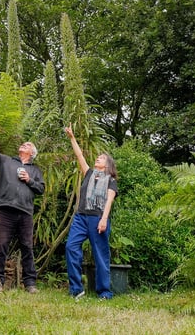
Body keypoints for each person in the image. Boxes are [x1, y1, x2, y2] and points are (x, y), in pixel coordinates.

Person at [0, 137, 45, 293]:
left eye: (28, 145)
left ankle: (30, 283)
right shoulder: (7, 161)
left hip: (25, 212)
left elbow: (41, 189)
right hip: (6, 210)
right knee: (1, 245)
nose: (24, 144)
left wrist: (29, 180)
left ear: (32, 153)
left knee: (27, 247)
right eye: (24, 144)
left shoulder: (35, 170)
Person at [64, 125, 118, 300]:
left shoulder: (111, 181)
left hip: (98, 219)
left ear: (108, 165)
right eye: (98, 157)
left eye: (102, 158)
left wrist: (104, 219)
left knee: (100, 255)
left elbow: (109, 200)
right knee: (71, 246)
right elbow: (79, 155)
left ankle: (104, 292)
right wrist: (72, 137)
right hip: (81, 217)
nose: (98, 158)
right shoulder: (88, 173)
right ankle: (76, 289)